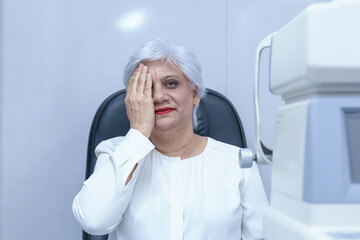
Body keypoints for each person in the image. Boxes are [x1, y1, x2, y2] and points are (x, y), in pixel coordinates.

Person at [72, 39, 269, 240]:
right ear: (133, 99)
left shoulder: (238, 161)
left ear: (194, 94)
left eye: (171, 84)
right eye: (146, 88)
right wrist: (138, 133)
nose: (158, 96)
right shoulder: (115, 152)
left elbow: (262, 236)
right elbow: (94, 222)